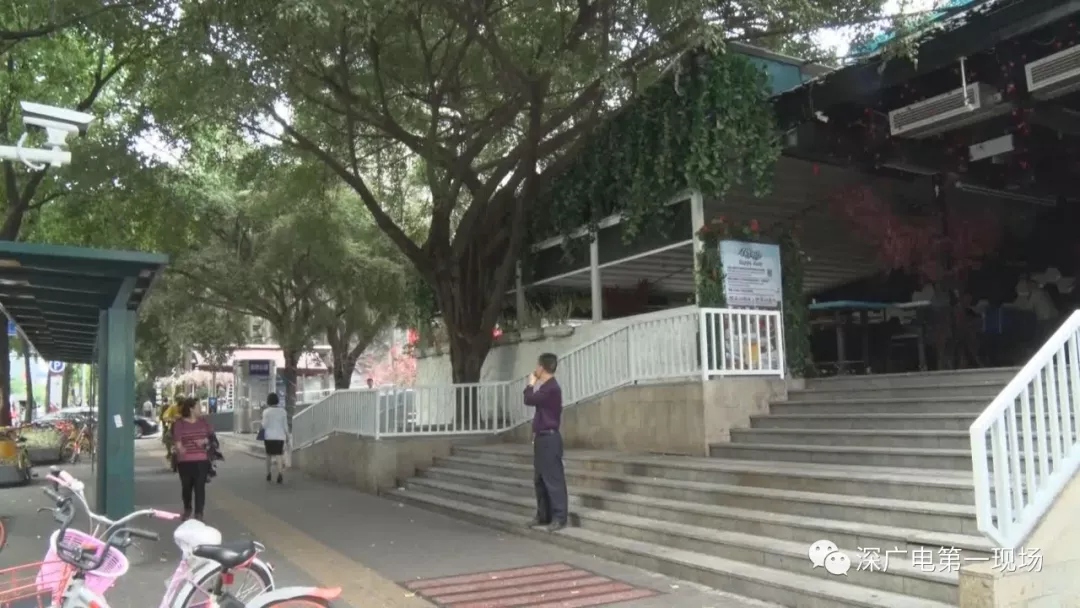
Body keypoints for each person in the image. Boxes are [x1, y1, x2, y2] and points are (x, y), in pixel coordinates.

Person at [523, 353, 567, 532]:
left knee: (553, 479)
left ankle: (559, 517)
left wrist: (530, 383)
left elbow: (529, 399)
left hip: (550, 438)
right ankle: (543, 515)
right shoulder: (547, 387)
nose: (535, 369)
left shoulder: (551, 388)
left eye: (537, 365)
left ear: (542, 367)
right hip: (542, 438)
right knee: (540, 479)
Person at [171, 397, 213, 521]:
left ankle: (199, 513)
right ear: (191, 409)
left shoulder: (203, 422)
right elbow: (177, 441)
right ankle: (187, 509)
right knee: (187, 487)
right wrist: (180, 448)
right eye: (198, 407)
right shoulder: (179, 424)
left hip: (201, 460)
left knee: (200, 487)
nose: (201, 409)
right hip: (185, 461)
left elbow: (211, 437)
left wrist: (204, 441)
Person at [260, 393, 289, 484]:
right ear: (277, 400)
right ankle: (280, 474)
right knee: (278, 455)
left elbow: (264, 425)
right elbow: (285, 426)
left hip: (269, 437)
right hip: (280, 437)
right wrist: (287, 436)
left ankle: (268, 473)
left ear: (268, 401)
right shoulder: (283, 411)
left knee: (268, 455)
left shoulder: (266, 412)